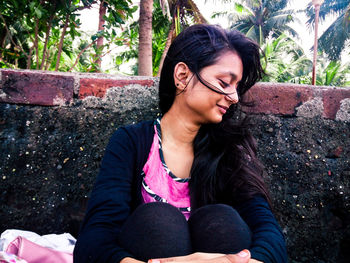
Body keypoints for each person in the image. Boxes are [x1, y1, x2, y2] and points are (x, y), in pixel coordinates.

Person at [73, 24, 287, 263]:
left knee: (222, 221)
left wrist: (230, 262)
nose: (235, 97)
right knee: (158, 222)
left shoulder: (228, 152)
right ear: (183, 76)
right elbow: (94, 239)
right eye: (225, 82)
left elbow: (270, 234)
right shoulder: (131, 142)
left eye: (236, 88)